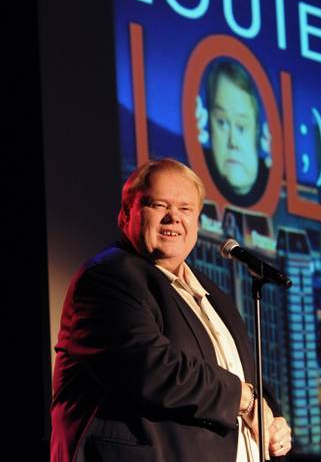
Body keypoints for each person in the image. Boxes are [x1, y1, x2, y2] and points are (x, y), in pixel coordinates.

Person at [50, 158, 291, 461]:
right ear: (126, 215)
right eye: (159, 205)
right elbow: (150, 367)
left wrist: (272, 417)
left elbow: (242, 376)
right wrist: (243, 399)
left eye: (186, 209)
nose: (173, 218)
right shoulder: (106, 278)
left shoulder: (212, 293)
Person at [198, 61, 270, 207]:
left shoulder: (275, 181)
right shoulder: (189, 177)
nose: (233, 142)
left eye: (241, 127)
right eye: (222, 123)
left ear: (257, 130)